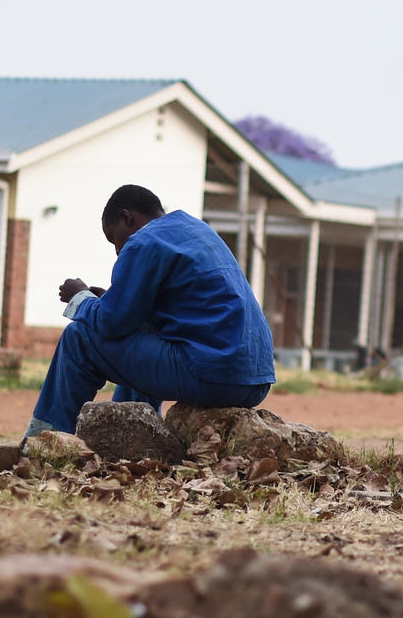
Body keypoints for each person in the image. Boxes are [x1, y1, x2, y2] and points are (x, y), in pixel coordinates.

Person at [21, 183, 274, 440]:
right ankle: (129, 439)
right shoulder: (195, 230)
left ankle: (45, 440)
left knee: (79, 337)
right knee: (140, 334)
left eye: (113, 238)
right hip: (255, 379)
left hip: (212, 373)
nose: (117, 250)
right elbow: (153, 313)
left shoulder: (143, 241)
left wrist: (81, 298)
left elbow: (112, 323)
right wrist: (108, 299)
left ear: (126, 218)